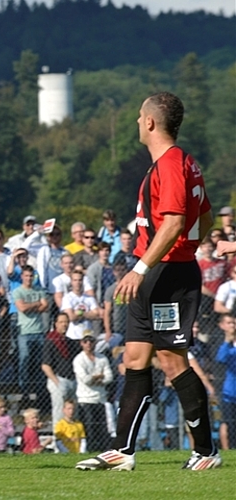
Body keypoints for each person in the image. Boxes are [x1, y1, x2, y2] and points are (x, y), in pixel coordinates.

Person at [77, 92, 220, 471]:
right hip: (156, 271)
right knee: (135, 359)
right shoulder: (179, 162)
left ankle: (206, 452)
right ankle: (122, 451)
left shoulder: (172, 163)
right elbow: (205, 220)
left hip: (166, 273)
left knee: (173, 362)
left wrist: (145, 266)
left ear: (152, 122)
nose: (137, 122)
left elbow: (176, 222)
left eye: (141, 116)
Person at [12, 265, 50, 395]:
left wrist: (30, 306)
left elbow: (45, 306)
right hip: (24, 332)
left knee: (40, 361)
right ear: (22, 277)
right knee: (25, 360)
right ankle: (24, 390)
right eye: (26, 276)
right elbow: (22, 308)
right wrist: (37, 304)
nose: (29, 278)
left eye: (31, 276)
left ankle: (40, 391)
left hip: (39, 330)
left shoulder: (39, 290)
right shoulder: (17, 291)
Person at [73, 333, 113, 452]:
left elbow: (109, 377)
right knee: (90, 429)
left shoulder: (102, 358)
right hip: (85, 399)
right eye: (85, 341)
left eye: (91, 341)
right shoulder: (79, 360)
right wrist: (100, 377)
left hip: (100, 399)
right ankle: (90, 451)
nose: (88, 344)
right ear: (81, 343)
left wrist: (95, 379)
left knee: (102, 429)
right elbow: (85, 379)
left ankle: (102, 452)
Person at [42, 313, 79, 426]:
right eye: (61, 322)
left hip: (71, 379)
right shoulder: (51, 340)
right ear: (56, 324)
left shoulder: (69, 342)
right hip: (58, 379)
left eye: (66, 322)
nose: (64, 325)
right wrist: (57, 382)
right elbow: (45, 365)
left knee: (73, 412)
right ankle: (58, 439)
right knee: (59, 412)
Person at [215, 314, 236, 450]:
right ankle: (230, 449)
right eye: (229, 323)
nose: (232, 326)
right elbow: (220, 359)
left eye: (233, 323)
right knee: (229, 423)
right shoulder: (222, 343)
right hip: (230, 391)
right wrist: (227, 341)